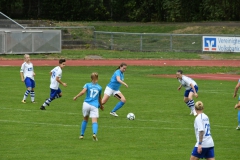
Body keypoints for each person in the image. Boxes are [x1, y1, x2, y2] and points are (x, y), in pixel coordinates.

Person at [73, 72, 104, 141]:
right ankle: (94, 134)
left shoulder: (87, 85)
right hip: (94, 105)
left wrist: (76, 96)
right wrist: (101, 106)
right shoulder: (99, 87)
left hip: (86, 104)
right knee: (94, 121)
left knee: (85, 119)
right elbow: (99, 98)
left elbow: (83, 92)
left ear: (91, 78)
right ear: (97, 78)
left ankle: (81, 135)